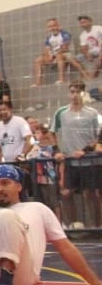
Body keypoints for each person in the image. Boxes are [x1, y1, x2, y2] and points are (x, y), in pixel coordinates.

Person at [52, 82, 102, 228]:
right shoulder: (61, 113)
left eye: (77, 92)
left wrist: (85, 151)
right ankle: (74, 226)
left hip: (89, 161)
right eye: (72, 92)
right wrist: (57, 150)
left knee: (91, 195)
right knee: (66, 193)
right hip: (69, 162)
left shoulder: (92, 113)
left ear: (83, 93)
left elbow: (97, 137)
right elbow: (52, 132)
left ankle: (98, 227)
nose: (74, 95)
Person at [0, 101, 34, 165]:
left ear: (10, 109)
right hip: (6, 165)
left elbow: (30, 141)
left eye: (4, 109)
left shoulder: (20, 121)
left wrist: (22, 155)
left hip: (20, 163)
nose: (2, 112)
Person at [34, 18, 73, 86]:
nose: (52, 28)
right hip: (54, 55)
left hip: (66, 54)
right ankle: (38, 83)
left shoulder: (65, 34)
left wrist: (54, 54)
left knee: (58, 56)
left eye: (54, 25)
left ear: (58, 25)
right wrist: (49, 55)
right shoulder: (49, 37)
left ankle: (61, 79)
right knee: (38, 60)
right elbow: (47, 49)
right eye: (50, 26)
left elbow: (65, 47)